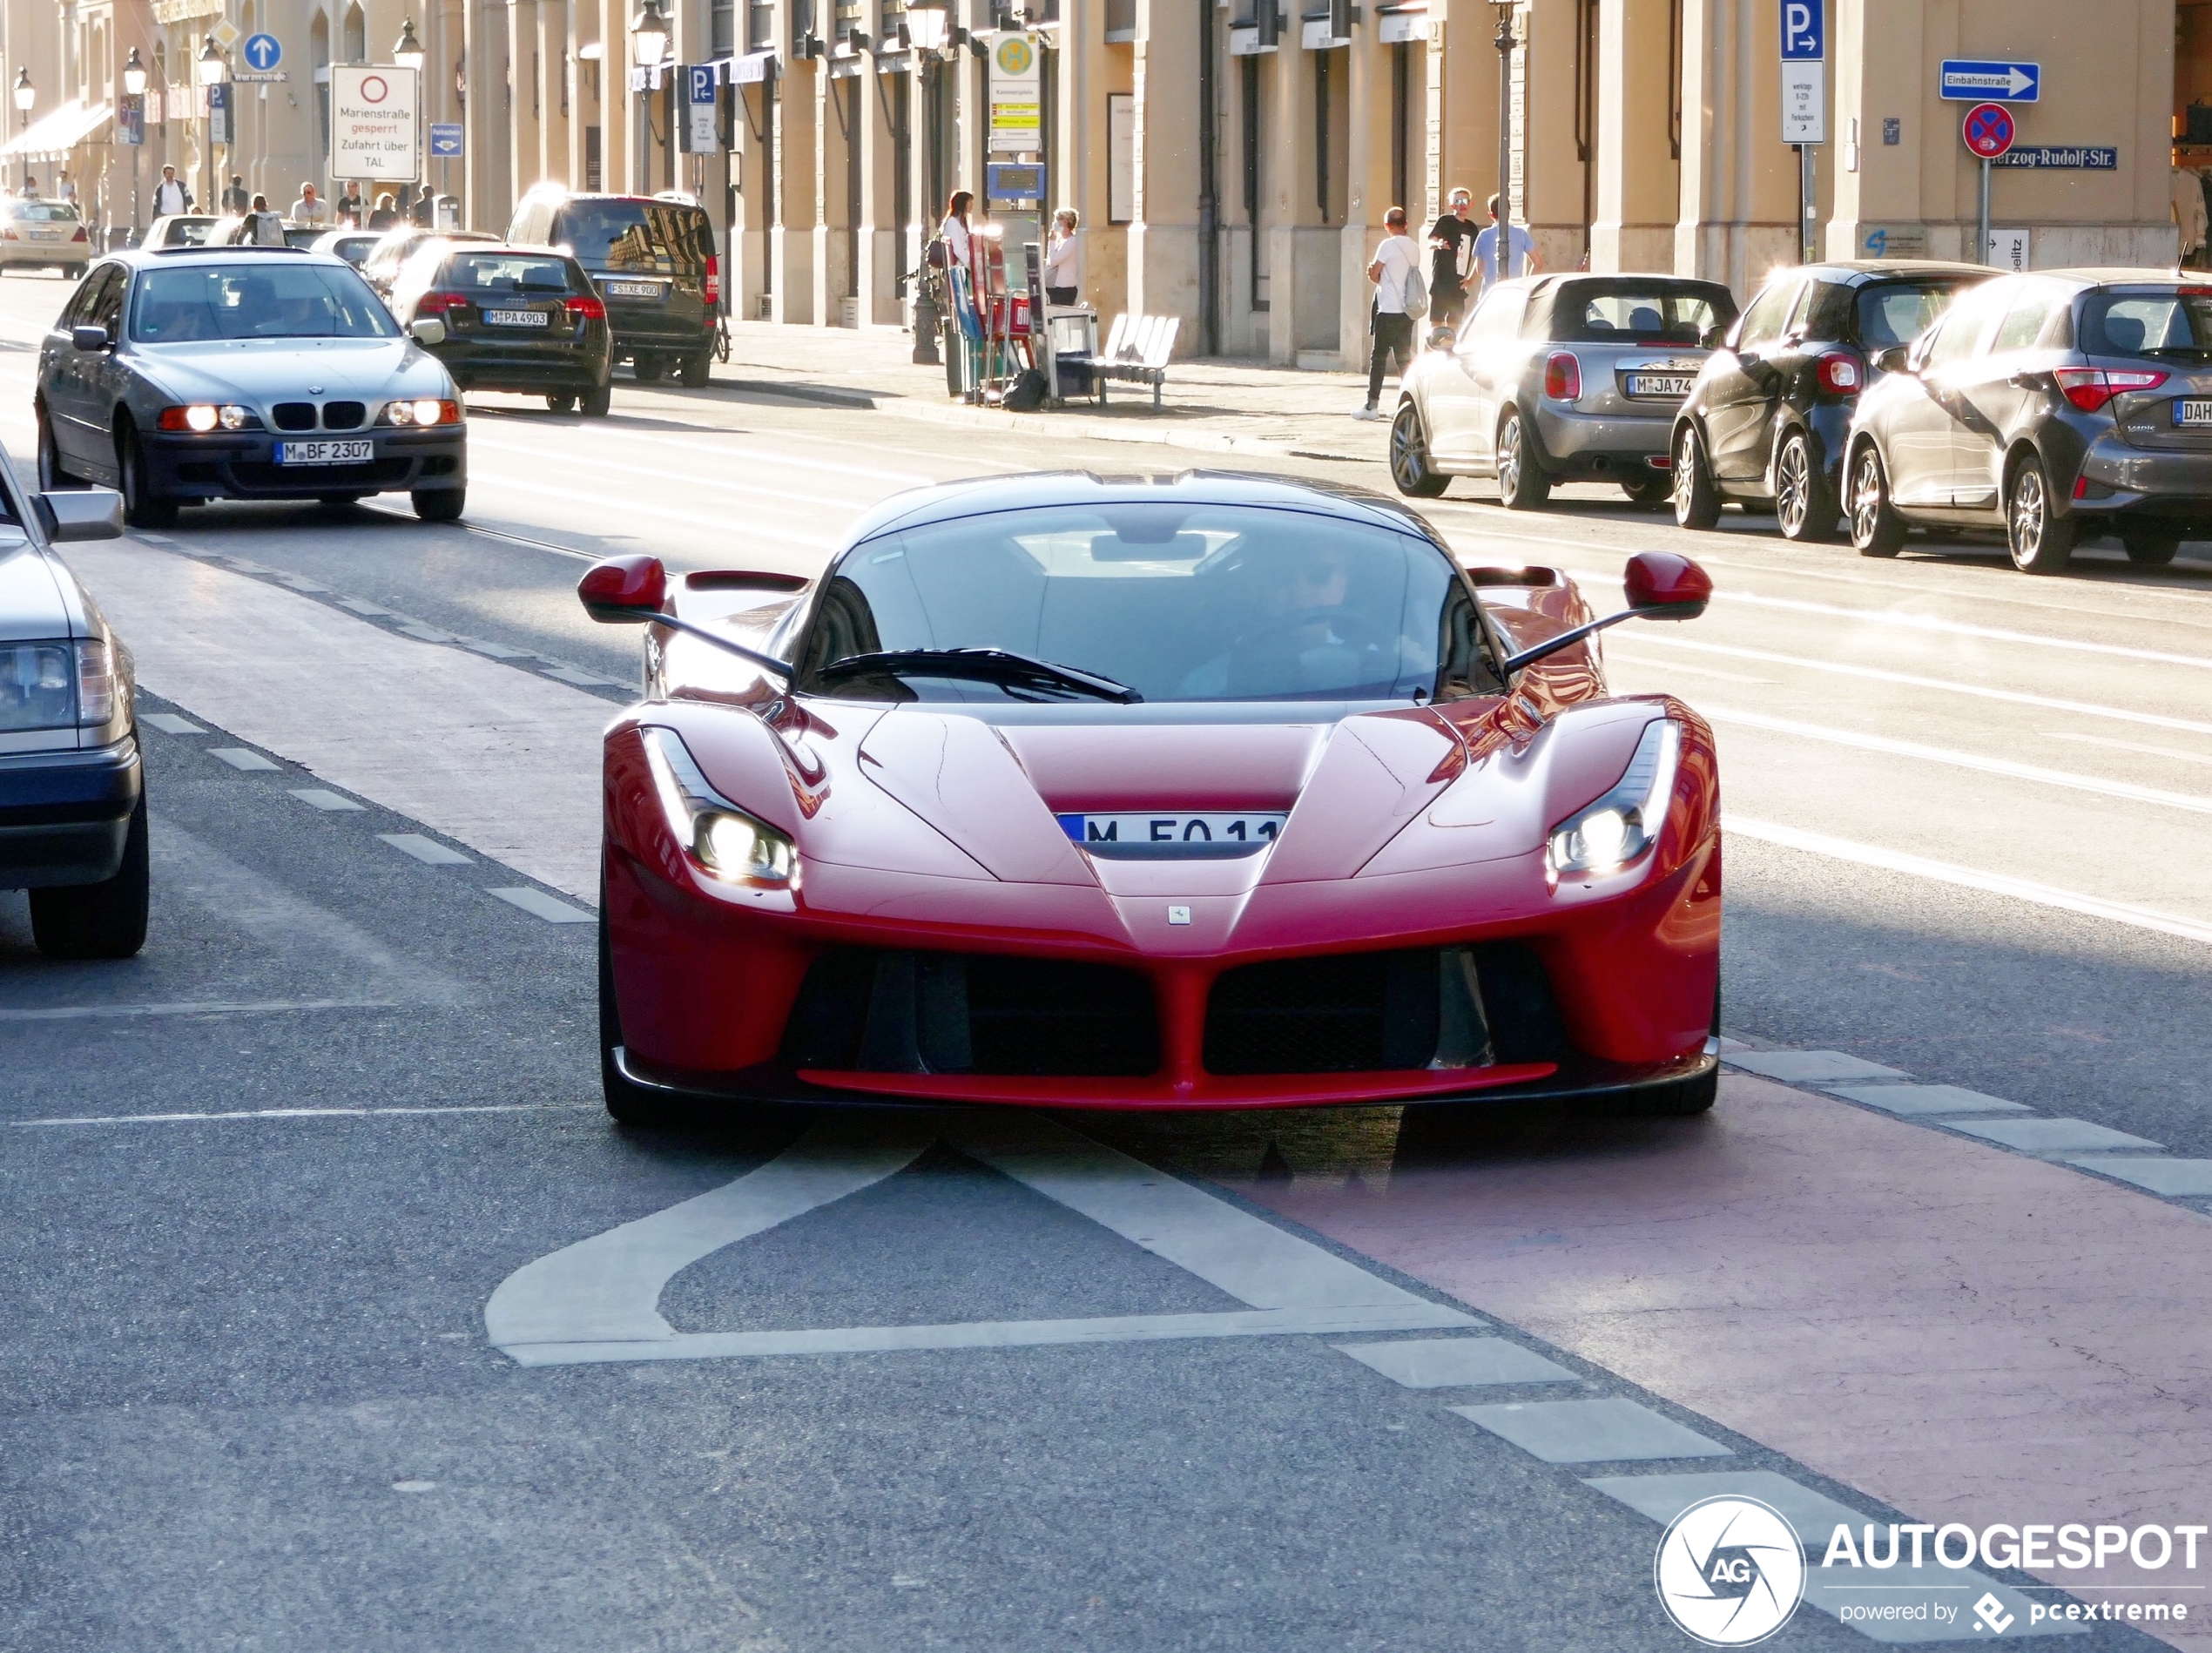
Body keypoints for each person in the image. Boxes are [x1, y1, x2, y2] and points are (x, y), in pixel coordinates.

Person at [1353, 206, 1420, 422]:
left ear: (1387, 226)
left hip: (1388, 309)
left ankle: (1372, 405)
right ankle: (1407, 404)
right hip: (1407, 311)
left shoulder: (1387, 245)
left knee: (1379, 357)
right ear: (1406, 224)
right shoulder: (1414, 247)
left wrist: (1372, 273)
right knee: (1404, 358)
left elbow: (1375, 273)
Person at [1426, 187, 1479, 331]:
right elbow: (1430, 241)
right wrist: (1438, 244)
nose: (1463, 205)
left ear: (1471, 204)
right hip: (1441, 282)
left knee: (1454, 325)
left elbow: (1479, 256)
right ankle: (1431, 351)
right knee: (1436, 324)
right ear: (1452, 205)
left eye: (1465, 201)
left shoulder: (1472, 228)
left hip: (1458, 285)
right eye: (1458, 201)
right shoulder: (1445, 221)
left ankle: (1450, 352)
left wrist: (1471, 279)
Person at [1472, 192, 1540, 296]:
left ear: (1491, 214)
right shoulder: (1521, 234)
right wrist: (1526, 284)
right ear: (1509, 212)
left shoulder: (1483, 235)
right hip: (1515, 290)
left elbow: (1480, 269)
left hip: (1490, 292)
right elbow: (1538, 262)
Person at [1043, 207, 1081, 307]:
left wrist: (1051, 242)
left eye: (1059, 219)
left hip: (1064, 289)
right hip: (1054, 287)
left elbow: (1053, 261)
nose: (1056, 222)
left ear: (1067, 221)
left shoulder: (1071, 241)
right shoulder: (1061, 240)